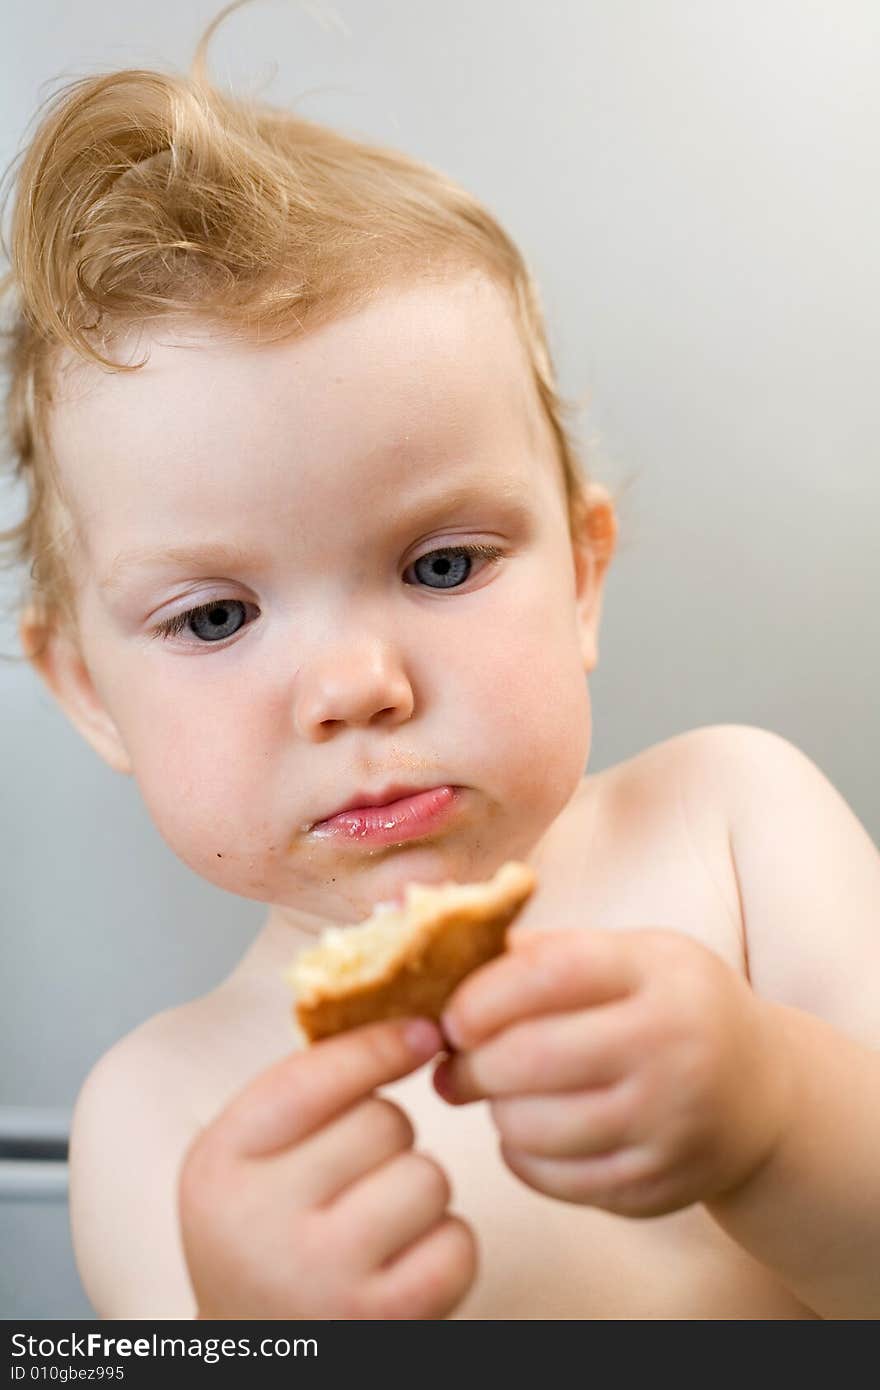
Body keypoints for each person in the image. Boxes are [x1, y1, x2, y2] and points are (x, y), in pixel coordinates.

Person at [2, 2, 878, 1321]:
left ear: (583, 573)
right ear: (84, 688)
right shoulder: (158, 1121)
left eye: (441, 566)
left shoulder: (736, 830)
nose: (360, 684)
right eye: (218, 617)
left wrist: (773, 1116)